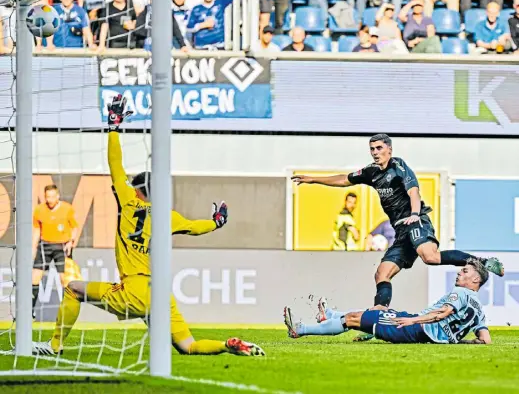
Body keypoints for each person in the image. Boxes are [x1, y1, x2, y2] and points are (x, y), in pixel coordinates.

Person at [32, 95, 265, 358]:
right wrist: (216, 222)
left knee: (73, 289)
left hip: (133, 291)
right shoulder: (167, 216)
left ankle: (54, 346)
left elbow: (115, 164)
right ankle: (228, 346)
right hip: (160, 292)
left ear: (138, 190)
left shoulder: (128, 201)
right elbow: (196, 227)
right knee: (188, 346)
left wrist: (113, 128)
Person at [291, 133, 504, 341]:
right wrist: (313, 179)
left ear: (389, 150)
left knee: (430, 257)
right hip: (401, 231)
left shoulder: (399, 166)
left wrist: (413, 214)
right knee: (381, 274)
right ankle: (379, 312)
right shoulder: (371, 172)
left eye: (379, 148)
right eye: (372, 149)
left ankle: (483, 262)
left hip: (415, 221)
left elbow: (413, 192)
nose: (375, 153)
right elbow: (345, 180)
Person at [285, 260, 491, 345]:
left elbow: (443, 313)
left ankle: (300, 329)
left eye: (465, 271)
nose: (459, 272)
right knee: (375, 312)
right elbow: (485, 340)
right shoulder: (479, 309)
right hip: (421, 331)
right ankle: (328, 316)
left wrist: (414, 321)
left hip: (417, 328)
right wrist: (459, 341)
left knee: (353, 319)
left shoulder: (460, 292)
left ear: (475, 280)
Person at [32, 185, 79, 318]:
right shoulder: (39, 210)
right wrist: (33, 247)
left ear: (58, 196)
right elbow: (36, 230)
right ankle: (30, 312)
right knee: (34, 277)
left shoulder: (67, 209)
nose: (50, 200)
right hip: (44, 245)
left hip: (62, 246)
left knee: (65, 279)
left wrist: (71, 241)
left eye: (52, 197)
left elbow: (75, 227)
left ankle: (66, 313)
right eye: (47, 197)